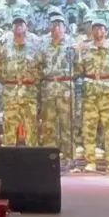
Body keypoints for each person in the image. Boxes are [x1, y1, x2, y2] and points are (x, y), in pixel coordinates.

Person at [74, 17, 109, 173]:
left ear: (106, 31)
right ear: (91, 31)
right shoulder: (85, 49)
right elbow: (79, 70)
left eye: (101, 28)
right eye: (95, 28)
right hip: (90, 94)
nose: (98, 31)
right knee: (89, 128)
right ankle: (90, 161)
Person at [0, 13, 43, 147]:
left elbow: (40, 69)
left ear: (26, 28)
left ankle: (31, 158)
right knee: (9, 130)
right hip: (10, 95)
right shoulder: (3, 49)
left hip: (28, 95)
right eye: (16, 24)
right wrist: (8, 82)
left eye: (21, 24)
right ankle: (8, 158)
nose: (18, 27)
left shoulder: (34, 48)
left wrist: (31, 81)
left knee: (31, 130)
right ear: (12, 28)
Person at [40, 15, 76, 167]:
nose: (56, 29)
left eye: (59, 25)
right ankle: (50, 158)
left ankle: (69, 158)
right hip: (48, 89)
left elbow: (79, 66)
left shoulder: (71, 45)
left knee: (67, 125)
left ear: (64, 28)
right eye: (53, 25)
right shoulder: (43, 46)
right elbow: (39, 66)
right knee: (49, 125)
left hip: (65, 89)